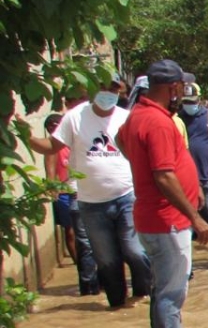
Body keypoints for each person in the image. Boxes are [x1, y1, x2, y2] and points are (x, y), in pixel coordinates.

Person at [26, 75, 153, 309]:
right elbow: (52, 147)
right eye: (105, 87)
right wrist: (27, 136)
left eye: (115, 89)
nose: (109, 93)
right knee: (106, 260)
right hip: (91, 203)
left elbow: (146, 151)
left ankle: (145, 295)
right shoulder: (74, 117)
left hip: (127, 195)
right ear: (94, 89)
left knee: (134, 251)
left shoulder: (127, 118)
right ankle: (117, 305)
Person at [117, 59, 208, 328]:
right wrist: (195, 217)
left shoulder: (137, 114)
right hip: (167, 219)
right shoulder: (159, 122)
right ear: (173, 88)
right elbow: (163, 175)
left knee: (162, 284)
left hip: (153, 216)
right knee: (172, 289)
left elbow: (120, 141)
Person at [37, 113, 99, 296]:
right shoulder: (54, 148)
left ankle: (90, 273)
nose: (55, 128)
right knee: (72, 233)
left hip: (87, 192)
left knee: (89, 237)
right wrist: (53, 189)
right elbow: (50, 170)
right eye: (51, 126)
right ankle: (82, 269)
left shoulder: (77, 141)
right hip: (66, 194)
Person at [178, 83, 208, 237]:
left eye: (193, 102)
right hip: (187, 176)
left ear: (200, 100)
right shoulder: (178, 118)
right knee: (191, 211)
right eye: (186, 102)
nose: (189, 105)